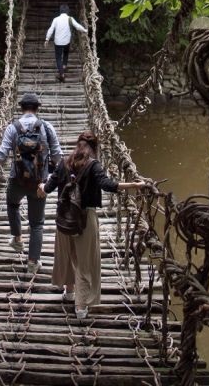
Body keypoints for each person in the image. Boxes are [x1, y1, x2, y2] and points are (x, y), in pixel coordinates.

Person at [45, 130, 146, 319]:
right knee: (85, 261)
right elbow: (107, 185)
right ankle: (81, 306)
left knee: (67, 255)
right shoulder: (94, 165)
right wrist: (133, 185)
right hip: (85, 219)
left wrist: (40, 187)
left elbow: (49, 187)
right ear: (95, 147)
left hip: (64, 217)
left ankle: (69, 292)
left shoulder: (63, 163)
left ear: (78, 145)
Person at [0, 93, 63, 275]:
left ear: (21, 108)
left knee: (12, 204)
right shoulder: (47, 127)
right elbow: (58, 155)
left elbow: (2, 155)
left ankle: (17, 238)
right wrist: (54, 175)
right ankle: (32, 263)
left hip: (17, 180)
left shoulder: (13, 127)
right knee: (37, 224)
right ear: (38, 108)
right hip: (39, 183)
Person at [45, 4, 87, 83]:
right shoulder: (70, 18)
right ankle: (64, 66)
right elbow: (77, 26)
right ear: (67, 11)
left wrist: (47, 39)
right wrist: (85, 30)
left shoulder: (56, 19)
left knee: (58, 58)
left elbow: (51, 29)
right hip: (66, 42)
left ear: (60, 11)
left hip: (57, 42)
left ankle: (62, 74)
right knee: (66, 53)